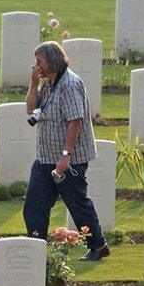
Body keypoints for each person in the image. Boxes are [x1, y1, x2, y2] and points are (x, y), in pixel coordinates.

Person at [23, 41, 110, 261]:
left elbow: (75, 121)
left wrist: (66, 156)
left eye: (39, 61)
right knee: (34, 203)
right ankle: (36, 248)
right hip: (45, 157)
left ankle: (98, 246)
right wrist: (33, 83)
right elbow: (31, 108)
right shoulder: (48, 83)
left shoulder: (69, 84)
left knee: (77, 203)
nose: (36, 66)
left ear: (52, 60)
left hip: (69, 158)